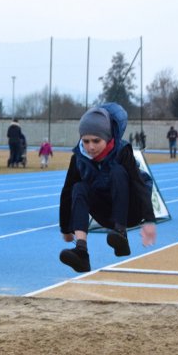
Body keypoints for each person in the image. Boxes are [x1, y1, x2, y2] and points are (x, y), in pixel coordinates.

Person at [59, 103, 157, 273]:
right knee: (78, 187)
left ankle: (121, 235)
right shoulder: (79, 159)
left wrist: (149, 221)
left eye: (96, 141)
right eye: (86, 141)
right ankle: (81, 252)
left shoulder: (122, 152)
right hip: (104, 213)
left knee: (117, 172)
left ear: (108, 137)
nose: (91, 147)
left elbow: (139, 184)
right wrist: (66, 228)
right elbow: (67, 192)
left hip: (130, 211)